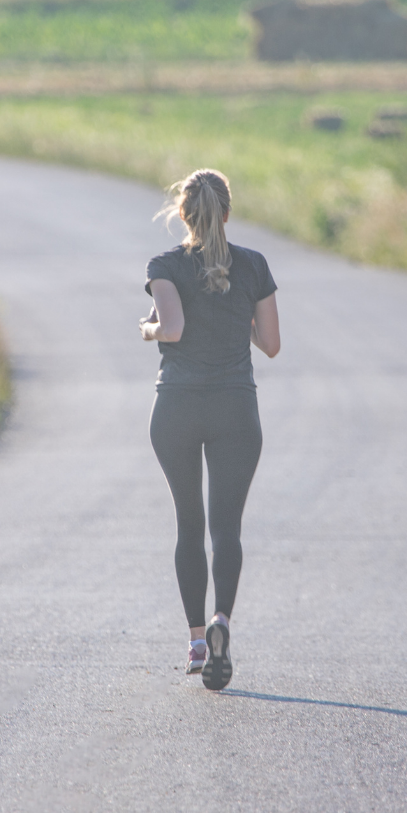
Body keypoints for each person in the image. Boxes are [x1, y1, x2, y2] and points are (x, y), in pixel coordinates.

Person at [141, 169, 280, 690]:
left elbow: (171, 328)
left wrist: (146, 326)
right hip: (235, 410)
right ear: (227, 211)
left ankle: (198, 641)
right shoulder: (253, 266)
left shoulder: (165, 265)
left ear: (183, 214)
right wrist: (236, 312)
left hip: (177, 407)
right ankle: (222, 619)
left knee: (188, 524)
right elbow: (270, 344)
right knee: (227, 528)